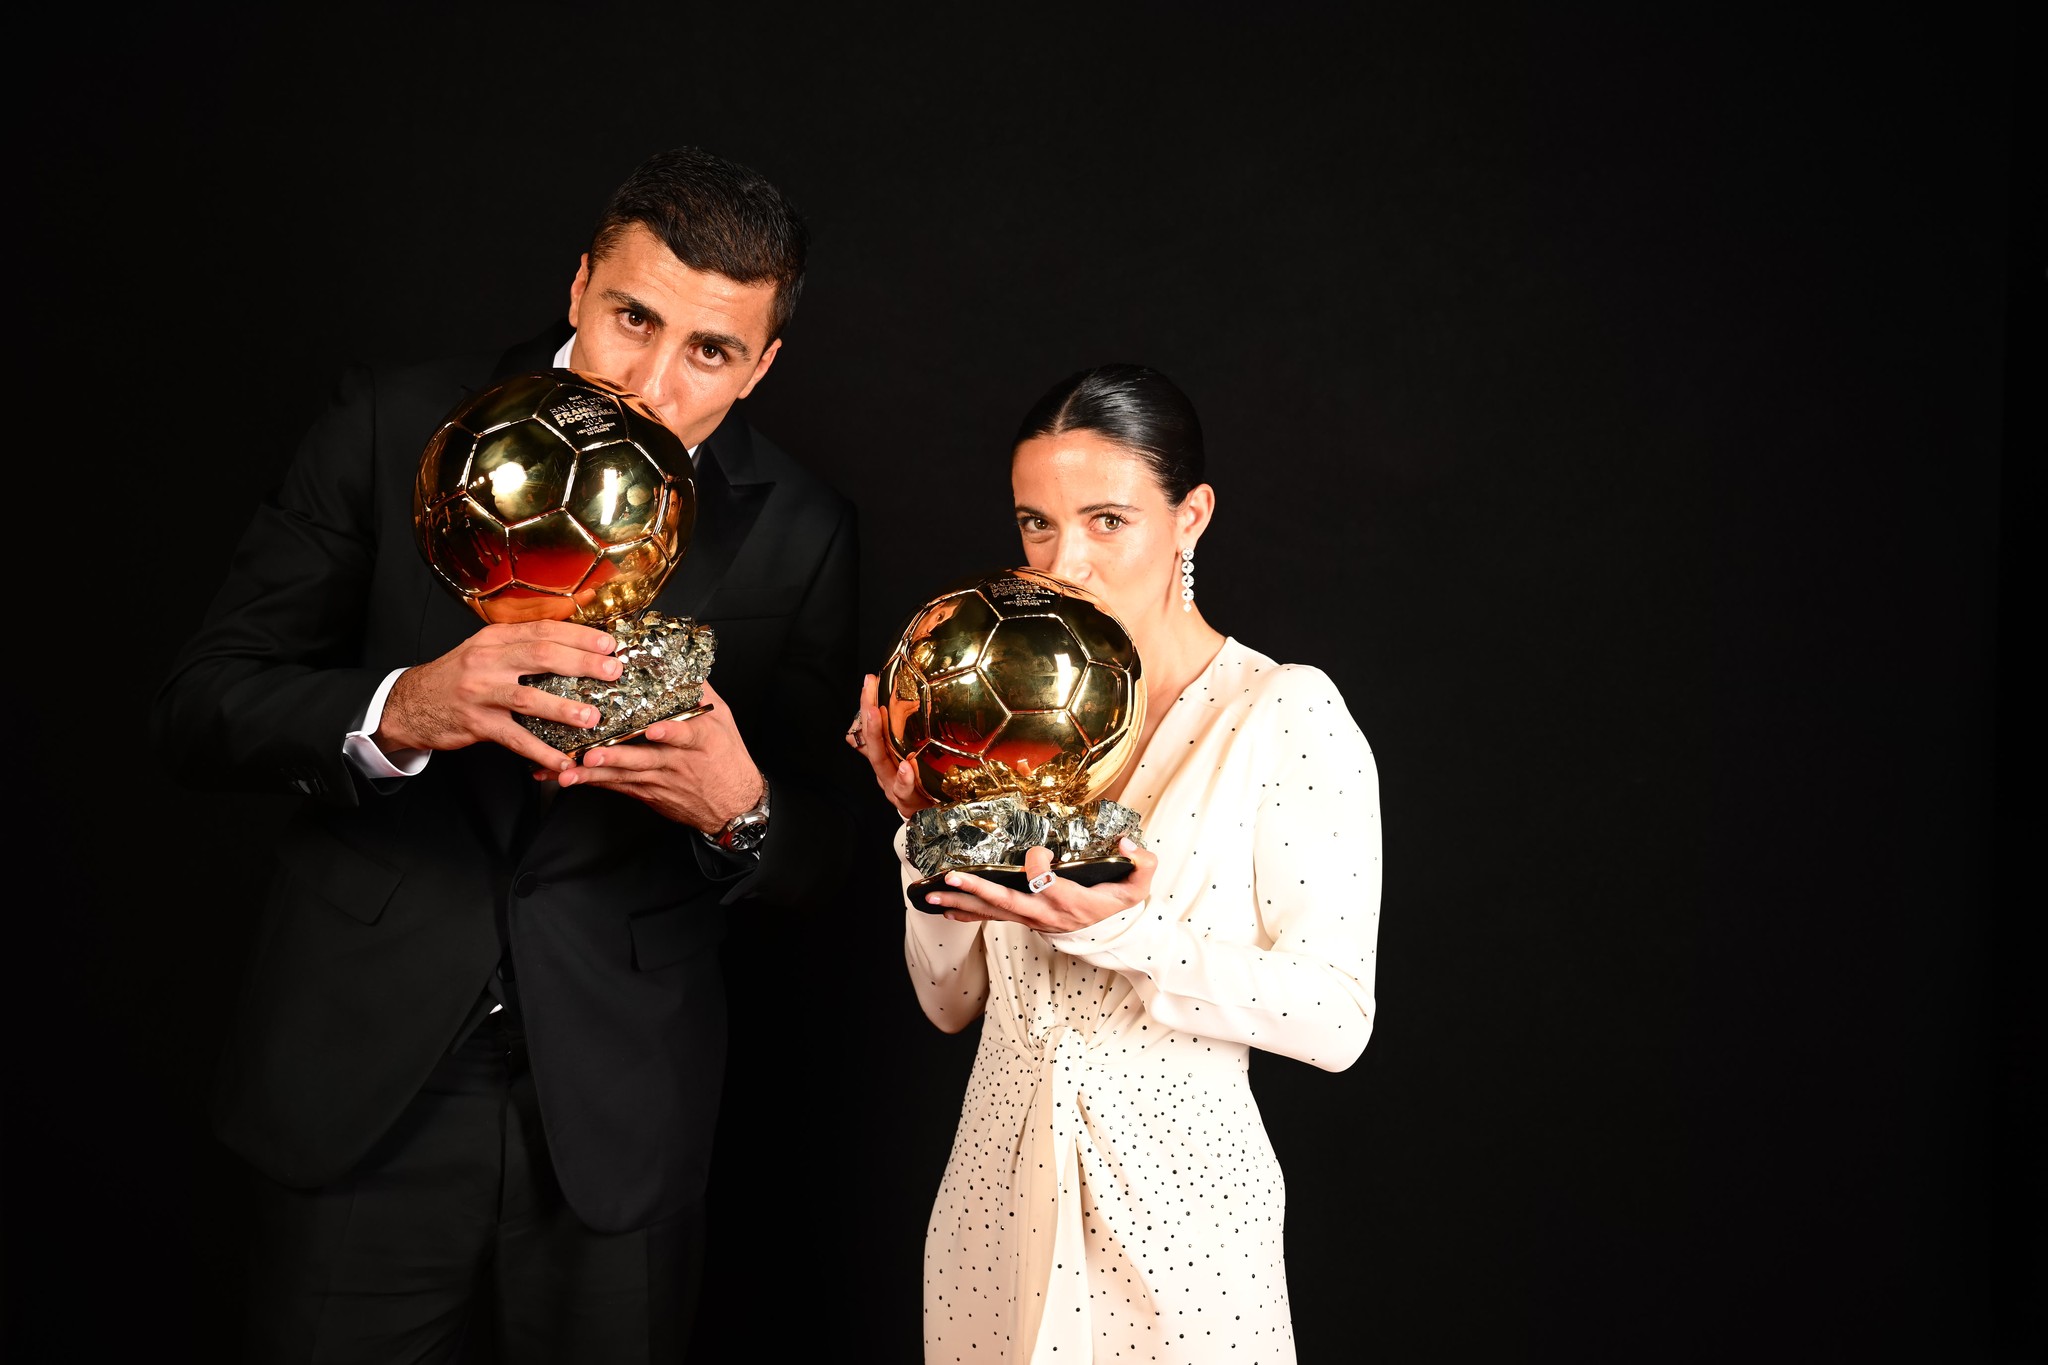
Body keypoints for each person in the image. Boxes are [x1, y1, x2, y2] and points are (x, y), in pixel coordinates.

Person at [150, 147, 858, 1363]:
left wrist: (739, 808)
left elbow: (826, 847)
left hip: (619, 1106)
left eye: (709, 352)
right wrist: (402, 709)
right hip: (360, 1079)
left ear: (761, 366)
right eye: (632, 319)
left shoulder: (803, 525)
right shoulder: (394, 424)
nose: (650, 383)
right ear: (579, 286)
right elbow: (201, 705)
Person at [850, 363, 1382, 1363]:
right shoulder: (1004, 717)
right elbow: (948, 1001)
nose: (1067, 564)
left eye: (1107, 521)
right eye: (1037, 524)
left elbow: (1335, 1017)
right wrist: (922, 825)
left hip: (1179, 1226)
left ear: (1190, 517)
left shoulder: (1280, 711)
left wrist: (1127, 934)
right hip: (992, 1210)